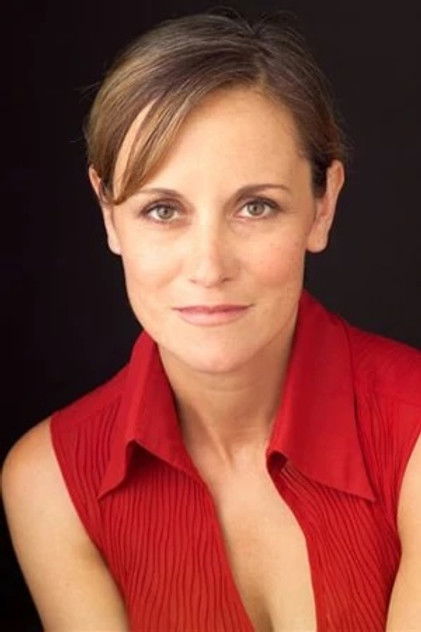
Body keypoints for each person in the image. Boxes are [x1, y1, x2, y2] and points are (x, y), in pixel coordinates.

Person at [2, 9, 420, 632]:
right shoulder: (52, 482)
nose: (208, 267)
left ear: (322, 206)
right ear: (110, 216)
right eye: (162, 210)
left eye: (256, 207)